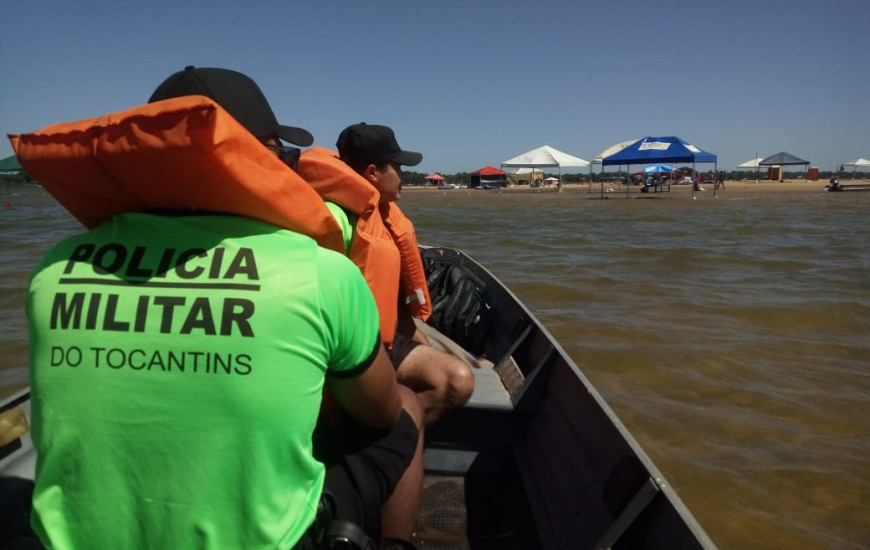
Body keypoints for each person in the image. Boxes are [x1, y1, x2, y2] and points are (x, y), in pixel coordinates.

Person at [20, 66, 421, 549]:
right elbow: (379, 413)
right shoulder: (319, 272)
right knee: (409, 409)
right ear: (264, 157)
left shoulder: (54, 268)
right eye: (283, 152)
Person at [297, 124, 475, 427]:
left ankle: (389, 433)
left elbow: (392, 311)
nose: (403, 176)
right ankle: (376, 439)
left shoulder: (380, 214)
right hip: (341, 353)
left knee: (457, 379)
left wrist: (425, 346)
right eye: (398, 167)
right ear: (372, 173)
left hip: (379, 343)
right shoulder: (334, 219)